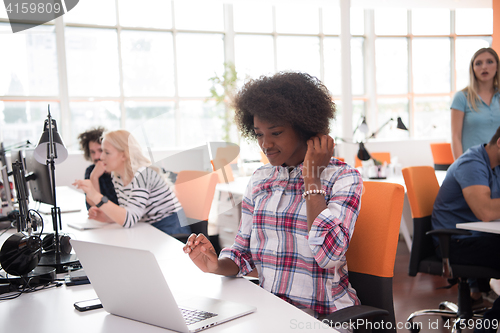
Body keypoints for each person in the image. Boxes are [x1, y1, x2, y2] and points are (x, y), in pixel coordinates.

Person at [183, 72, 363, 319]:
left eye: (275, 132)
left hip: (321, 318)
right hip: (268, 311)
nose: (265, 144)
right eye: (258, 133)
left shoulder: (344, 178)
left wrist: (311, 178)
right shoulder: (260, 179)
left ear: (304, 128)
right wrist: (215, 265)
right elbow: (243, 253)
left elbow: (328, 255)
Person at [432, 125, 500, 313]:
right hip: (454, 243)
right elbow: (485, 211)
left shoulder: (495, 166)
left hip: (477, 237)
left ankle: (484, 305)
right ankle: (491, 320)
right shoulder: (472, 164)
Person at [73, 130, 191, 236]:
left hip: (172, 232)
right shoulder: (118, 176)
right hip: (149, 229)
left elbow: (128, 219)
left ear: (124, 155)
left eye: (107, 152)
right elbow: (128, 211)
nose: (101, 157)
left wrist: (95, 195)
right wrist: (108, 218)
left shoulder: (143, 175)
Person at [451, 47, 500, 160]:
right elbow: (456, 137)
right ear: (472, 68)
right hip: (473, 164)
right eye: (478, 63)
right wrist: (461, 167)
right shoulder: (462, 97)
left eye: (489, 62)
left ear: (497, 66)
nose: (484, 67)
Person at [77, 127, 118, 210]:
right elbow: (94, 209)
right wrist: (94, 177)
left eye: (100, 150)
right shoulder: (91, 171)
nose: (96, 157)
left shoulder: (119, 170)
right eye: (92, 152)